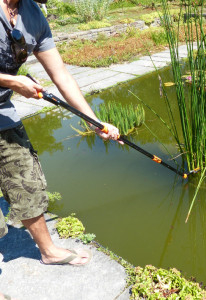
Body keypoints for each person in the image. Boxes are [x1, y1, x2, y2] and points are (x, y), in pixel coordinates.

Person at [0, 0, 120, 272]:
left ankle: (49, 251)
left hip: (2, 111)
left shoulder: (33, 15)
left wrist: (93, 121)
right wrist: (12, 81)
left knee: (26, 180)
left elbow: (61, 75)